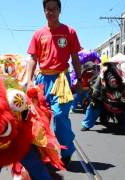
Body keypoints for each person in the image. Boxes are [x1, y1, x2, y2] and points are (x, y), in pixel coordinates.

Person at [26, 0, 82, 167]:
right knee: (40, 119)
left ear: (59, 10)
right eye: (47, 9)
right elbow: (32, 59)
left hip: (61, 81)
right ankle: (43, 153)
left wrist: (79, 78)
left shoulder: (69, 32)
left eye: (54, 9)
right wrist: (29, 81)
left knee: (59, 115)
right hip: (42, 80)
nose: (50, 12)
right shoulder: (38, 34)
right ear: (44, 11)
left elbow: (75, 58)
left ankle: (66, 150)